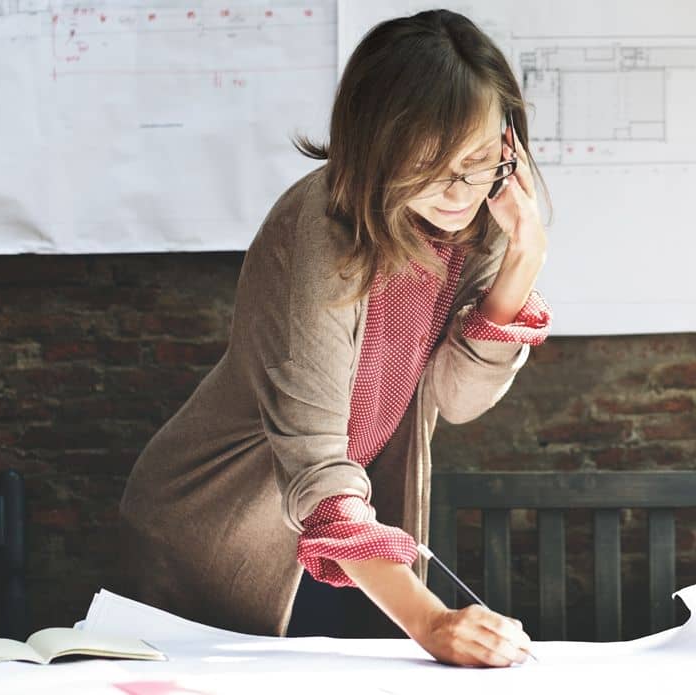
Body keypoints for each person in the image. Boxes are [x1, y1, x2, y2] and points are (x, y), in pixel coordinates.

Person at [116, 9, 551, 668]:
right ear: (376, 143)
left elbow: (455, 399)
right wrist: (432, 621)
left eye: (480, 158)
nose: (460, 189)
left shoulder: (481, 224)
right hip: (218, 532)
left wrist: (522, 259)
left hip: (345, 529)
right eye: (432, 164)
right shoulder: (321, 229)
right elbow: (317, 467)